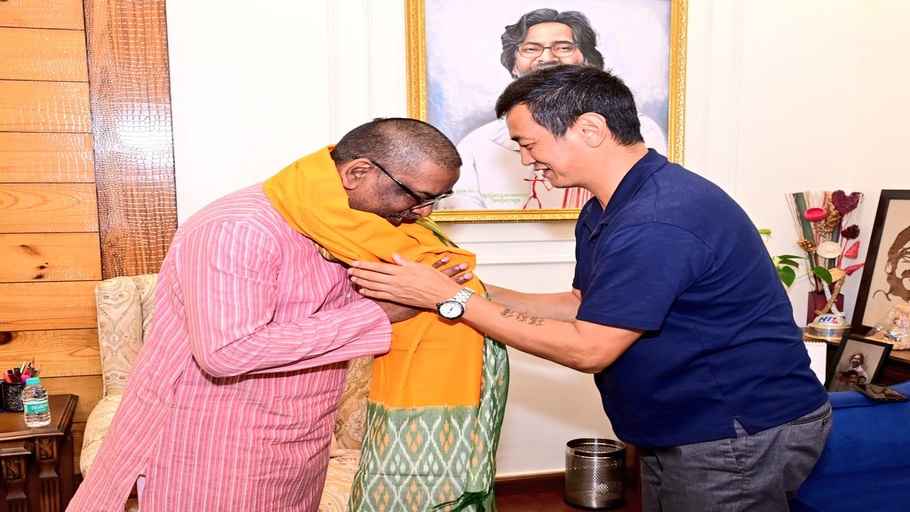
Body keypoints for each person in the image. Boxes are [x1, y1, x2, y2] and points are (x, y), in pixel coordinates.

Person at [349, 65, 832, 511]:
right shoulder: (606, 206)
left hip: (735, 431)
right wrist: (469, 287)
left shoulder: (659, 218)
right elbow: (584, 304)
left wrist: (450, 299)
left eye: (529, 143)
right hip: (684, 426)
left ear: (590, 129)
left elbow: (590, 348)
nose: (526, 159)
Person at [67, 118, 471, 511]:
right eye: (415, 196)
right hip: (212, 448)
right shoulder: (240, 228)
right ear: (357, 173)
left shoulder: (350, 228)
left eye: (435, 200)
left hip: (300, 442)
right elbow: (227, 351)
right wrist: (378, 314)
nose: (422, 214)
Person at [441, 8, 666, 211]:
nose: (547, 58)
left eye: (564, 47)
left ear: (587, 59)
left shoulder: (638, 130)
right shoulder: (477, 144)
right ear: (513, 65)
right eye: (531, 49)